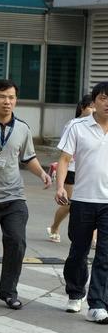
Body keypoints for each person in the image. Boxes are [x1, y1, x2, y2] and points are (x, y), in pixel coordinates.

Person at [0, 79, 51, 309]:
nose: (8, 102)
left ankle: (9, 291)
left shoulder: (23, 128)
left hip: (14, 196)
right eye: (3, 97)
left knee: (16, 242)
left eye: (12, 97)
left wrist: (42, 174)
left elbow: (28, 158)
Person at [55, 82, 108, 322]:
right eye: (104, 98)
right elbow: (65, 159)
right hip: (83, 199)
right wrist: (60, 186)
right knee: (78, 251)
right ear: (94, 100)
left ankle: (97, 304)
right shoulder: (77, 126)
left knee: (105, 255)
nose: (107, 104)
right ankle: (75, 292)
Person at [47, 95, 95, 244]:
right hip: (72, 170)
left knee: (94, 204)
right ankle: (54, 227)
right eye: (91, 107)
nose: (93, 110)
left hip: (89, 172)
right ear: (82, 107)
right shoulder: (73, 125)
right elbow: (66, 154)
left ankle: (93, 237)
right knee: (69, 204)